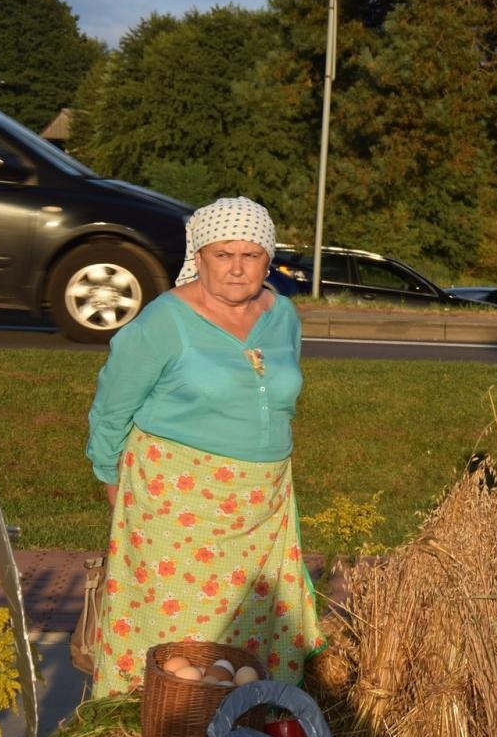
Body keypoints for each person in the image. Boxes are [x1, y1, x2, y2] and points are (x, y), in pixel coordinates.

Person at [84, 197, 323, 696]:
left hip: (263, 501)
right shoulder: (165, 321)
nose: (237, 268)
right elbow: (112, 406)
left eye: (251, 255)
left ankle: (243, 719)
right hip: (176, 498)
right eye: (223, 254)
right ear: (200, 255)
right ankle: (165, 721)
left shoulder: (282, 316)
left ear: (268, 258)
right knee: (180, 628)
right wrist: (111, 478)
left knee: (251, 621)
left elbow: (282, 397)